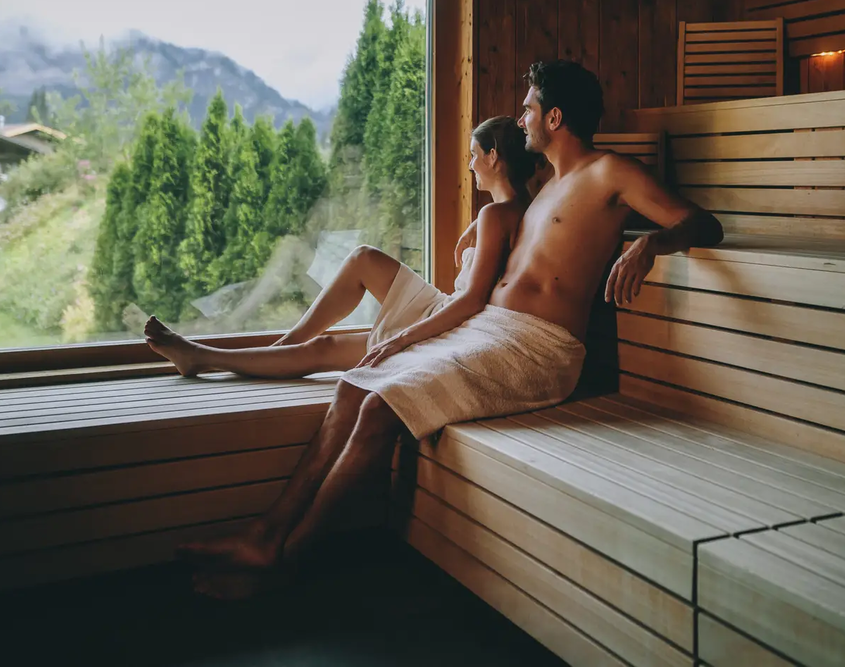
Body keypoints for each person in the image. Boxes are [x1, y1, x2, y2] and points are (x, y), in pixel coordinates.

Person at [155, 60, 723, 599]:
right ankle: (264, 536)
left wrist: (653, 242)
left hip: (539, 348)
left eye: (528, 108)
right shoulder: (542, 188)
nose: (521, 118)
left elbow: (703, 222)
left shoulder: (611, 172)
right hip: (491, 329)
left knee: (380, 407)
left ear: (555, 118)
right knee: (355, 384)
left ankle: (290, 559)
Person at [144, 115, 537, 382]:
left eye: (473, 154)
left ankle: (203, 356)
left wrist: (404, 338)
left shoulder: (494, 216)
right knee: (363, 257)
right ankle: (282, 346)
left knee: (325, 347)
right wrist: (475, 226)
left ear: (493, 157)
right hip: (447, 310)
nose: (470, 164)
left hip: (453, 323)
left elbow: (469, 301)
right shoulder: (525, 207)